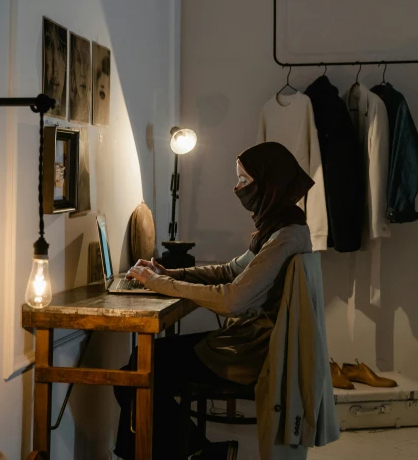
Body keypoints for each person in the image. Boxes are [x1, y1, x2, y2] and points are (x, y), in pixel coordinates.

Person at [113, 142, 315, 460]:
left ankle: (193, 451)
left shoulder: (284, 237)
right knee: (140, 366)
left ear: (270, 183)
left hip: (250, 353)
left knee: (136, 374)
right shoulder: (279, 228)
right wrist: (169, 272)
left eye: (245, 181)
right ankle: (198, 451)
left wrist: (162, 284)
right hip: (249, 343)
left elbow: (233, 300)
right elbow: (229, 271)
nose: (238, 188)